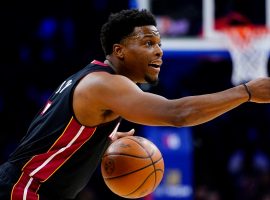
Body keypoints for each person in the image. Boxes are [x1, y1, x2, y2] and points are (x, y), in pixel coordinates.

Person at [1, 8, 270, 200]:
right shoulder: (105, 84)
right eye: (148, 43)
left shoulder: (92, 77)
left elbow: (51, 133)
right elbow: (177, 114)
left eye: (160, 43)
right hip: (25, 189)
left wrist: (98, 136)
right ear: (119, 51)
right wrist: (247, 91)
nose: (159, 51)